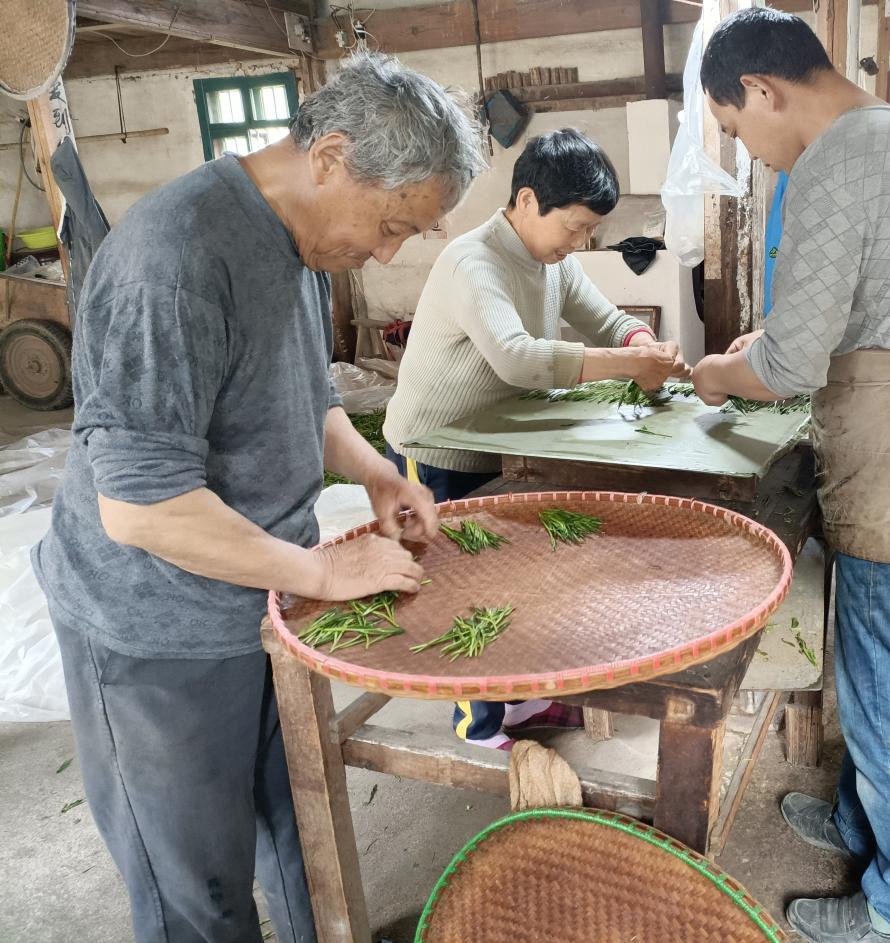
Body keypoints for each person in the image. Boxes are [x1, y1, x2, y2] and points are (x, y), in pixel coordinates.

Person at [32, 53, 485, 943]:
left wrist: (378, 472)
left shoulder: (302, 242)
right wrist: (325, 571)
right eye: (391, 225)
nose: (387, 253)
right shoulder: (175, 257)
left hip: (265, 599)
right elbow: (141, 507)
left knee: (302, 828)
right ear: (330, 157)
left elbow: (307, 396)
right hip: (156, 629)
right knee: (196, 888)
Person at [690, 10, 890, 943]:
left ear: (761, 89)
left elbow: (789, 366)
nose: (756, 156)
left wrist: (719, 372)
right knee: (879, 683)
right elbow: (872, 312)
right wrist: (777, 341)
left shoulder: (833, 160)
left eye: (739, 130)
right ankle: (860, 826)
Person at [383, 127, 689, 751]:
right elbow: (518, 359)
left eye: (589, 232)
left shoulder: (554, 262)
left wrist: (644, 345)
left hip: (503, 445)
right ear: (527, 200)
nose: (580, 243)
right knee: (464, 587)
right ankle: (476, 725)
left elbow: (606, 319)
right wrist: (628, 366)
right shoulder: (473, 261)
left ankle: (520, 700)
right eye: (574, 227)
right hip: (437, 451)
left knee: (516, 579)